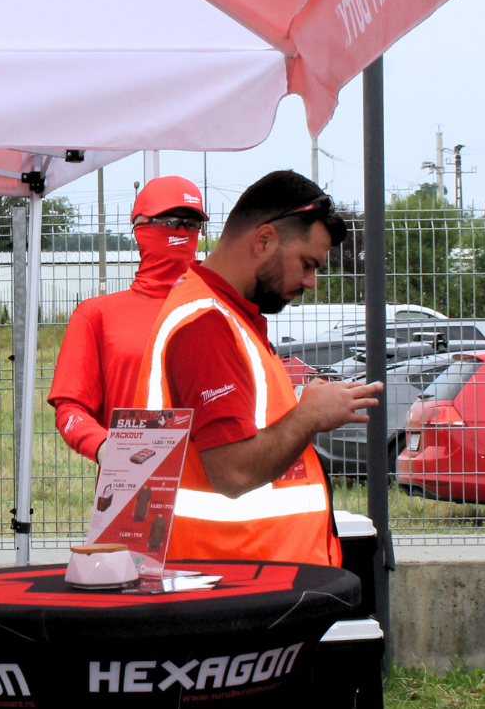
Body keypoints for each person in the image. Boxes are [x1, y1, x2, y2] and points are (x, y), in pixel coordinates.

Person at [133, 171, 381, 566]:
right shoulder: (206, 325)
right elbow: (233, 472)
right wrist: (310, 415)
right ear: (263, 240)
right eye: (307, 263)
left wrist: (302, 405)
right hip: (229, 581)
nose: (311, 282)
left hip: (241, 576)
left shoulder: (225, 317)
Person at [48, 175, 207, 464]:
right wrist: (104, 447)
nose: (183, 231)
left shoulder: (218, 311)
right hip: (132, 481)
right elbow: (69, 407)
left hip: (210, 484)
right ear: (140, 228)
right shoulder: (96, 315)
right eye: (170, 222)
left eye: (192, 224)